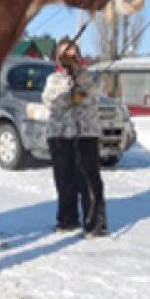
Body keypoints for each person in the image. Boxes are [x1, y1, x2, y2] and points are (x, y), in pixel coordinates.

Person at [42, 37, 107, 237]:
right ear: (56, 58)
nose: (68, 58)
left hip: (85, 134)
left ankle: (94, 223)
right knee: (64, 179)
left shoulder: (89, 76)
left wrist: (78, 74)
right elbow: (49, 101)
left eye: (72, 54)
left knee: (88, 179)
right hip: (60, 136)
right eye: (63, 54)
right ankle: (67, 220)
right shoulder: (53, 80)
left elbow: (95, 89)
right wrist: (69, 98)